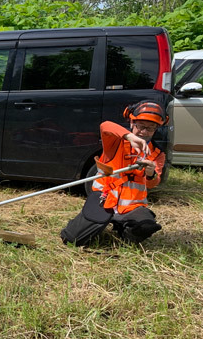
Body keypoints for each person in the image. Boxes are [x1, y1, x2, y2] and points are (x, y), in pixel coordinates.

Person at [60, 101, 167, 246]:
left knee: (146, 226)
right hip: (104, 198)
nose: (144, 132)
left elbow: (153, 183)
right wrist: (129, 137)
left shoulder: (157, 154)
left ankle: (123, 229)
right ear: (131, 123)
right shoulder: (116, 142)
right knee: (72, 239)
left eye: (150, 128)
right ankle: (86, 223)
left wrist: (150, 173)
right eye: (140, 126)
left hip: (131, 205)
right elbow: (105, 126)